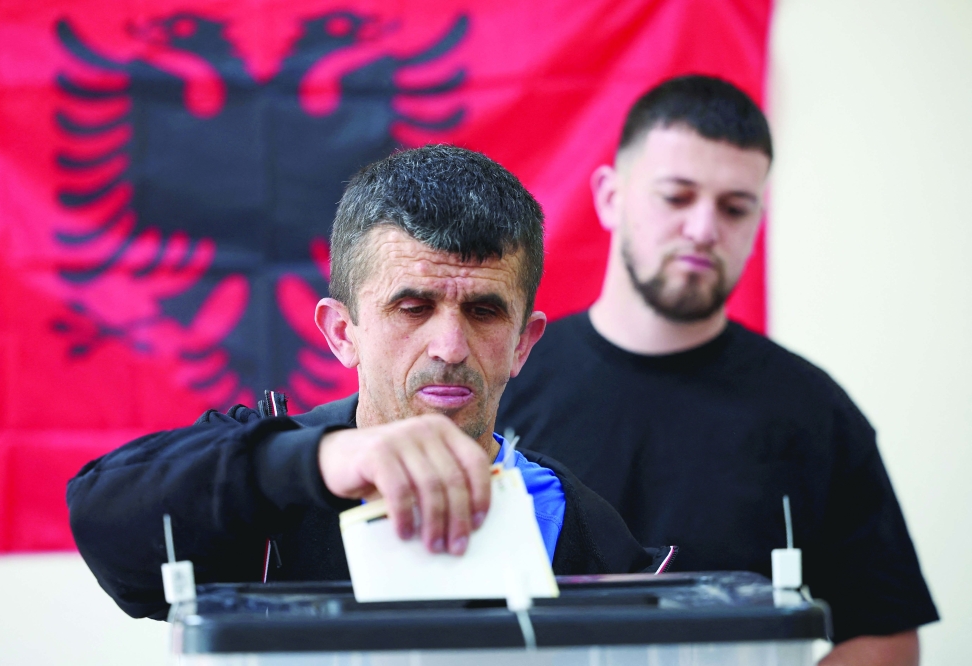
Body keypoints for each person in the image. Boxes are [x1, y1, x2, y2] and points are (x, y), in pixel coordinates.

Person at [67, 145, 664, 621]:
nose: (450, 347)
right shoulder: (269, 482)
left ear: (523, 344)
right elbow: (104, 524)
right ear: (341, 332)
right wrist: (312, 463)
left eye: (484, 312)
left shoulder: (577, 525)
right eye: (412, 308)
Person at [497, 76, 938, 665]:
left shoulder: (812, 411)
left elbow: (885, 634)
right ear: (609, 198)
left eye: (734, 208)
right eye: (676, 197)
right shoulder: (504, 379)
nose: (704, 230)